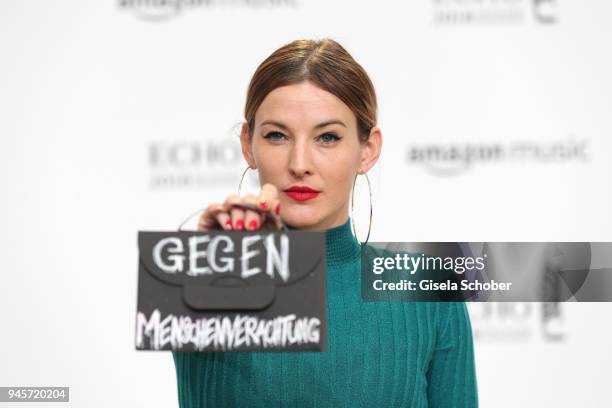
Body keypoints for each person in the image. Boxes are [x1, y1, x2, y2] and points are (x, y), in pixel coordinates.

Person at [172, 38, 478, 407]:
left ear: (368, 150)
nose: (300, 162)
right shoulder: (199, 274)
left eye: (328, 137)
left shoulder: (430, 292)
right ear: (249, 144)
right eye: (277, 135)